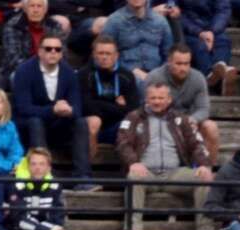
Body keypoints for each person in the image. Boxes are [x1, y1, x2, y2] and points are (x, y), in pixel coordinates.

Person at [116, 79, 214, 230]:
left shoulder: (182, 119)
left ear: (169, 99)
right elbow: (123, 143)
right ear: (146, 99)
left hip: (175, 174)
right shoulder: (133, 117)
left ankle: (206, 229)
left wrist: (204, 165)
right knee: (133, 176)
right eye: (153, 98)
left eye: (161, 98)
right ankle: (133, 229)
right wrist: (133, 162)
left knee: (204, 177)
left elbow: (196, 143)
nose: (157, 102)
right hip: (146, 172)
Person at [13, 32, 94, 191]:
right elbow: (23, 108)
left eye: (57, 49)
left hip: (57, 125)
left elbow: (77, 107)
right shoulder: (24, 71)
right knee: (35, 122)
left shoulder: (68, 73)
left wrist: (69, 110)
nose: (53, 52)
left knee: (80, 122)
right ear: (39, 51)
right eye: (48, 48)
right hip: (29, 127)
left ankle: (83, 177)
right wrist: (53, 110)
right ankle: (44, 178)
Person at [148, 45, 221, 166]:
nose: (183, 68)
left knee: (211, 127)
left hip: (190, 122)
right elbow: (148, 107)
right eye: (179, 64)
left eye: (186, 64)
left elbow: (204, 109)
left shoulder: (198, 78)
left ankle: (207, 169)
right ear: (169, 62)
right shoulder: (155, 77)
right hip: (162, 122)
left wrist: (192, 119)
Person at [80, 36, 143, 164]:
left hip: (116, 128)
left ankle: (132, 170)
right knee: (93, 121)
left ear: (116, 56)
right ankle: (89, 169)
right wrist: (118, 107)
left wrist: (99, 104)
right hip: (91, 129)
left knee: (134, 124)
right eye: (100, 53)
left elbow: (133, 108)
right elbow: (86, 106)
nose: (104, 57)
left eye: (108, 53)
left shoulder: (126, 76)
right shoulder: (84, 75)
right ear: (94, 55)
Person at [0, 0, 68, 94]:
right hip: (22, 69)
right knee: (19, 76)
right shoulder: (13, 25)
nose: (35, 10)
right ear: (25, 9)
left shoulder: (54, 26)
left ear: (45, 10)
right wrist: (38, 71)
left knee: (68, 76)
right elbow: (13, 58)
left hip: (50, 68)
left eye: (39, 6)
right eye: (32, 6)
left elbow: (62, 54)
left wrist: (47, 70)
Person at [103, 0, 174, 84]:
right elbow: (105, 54)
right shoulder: (114, 21)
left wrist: (158, 74)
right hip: (125, 75)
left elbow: (169, 54)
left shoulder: (160, 21)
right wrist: (131, 70)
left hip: (157, 75)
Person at [174, 0, 234, 91]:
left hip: (213, 29)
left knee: (223, 42)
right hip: (189, 31)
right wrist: (199, 32)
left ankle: (220, 69)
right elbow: (177, 14)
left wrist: (212, 31)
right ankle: (213, 76)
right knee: (199, 46)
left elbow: (223, 11)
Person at [7, 144, 66, 230]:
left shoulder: (56, 186)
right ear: (28, 167)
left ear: (49, 168)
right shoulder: (18, 187)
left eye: (42, 164)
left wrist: (41, 229)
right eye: (33, 164)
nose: (37, 168)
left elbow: (58, 219)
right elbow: (20, 220)